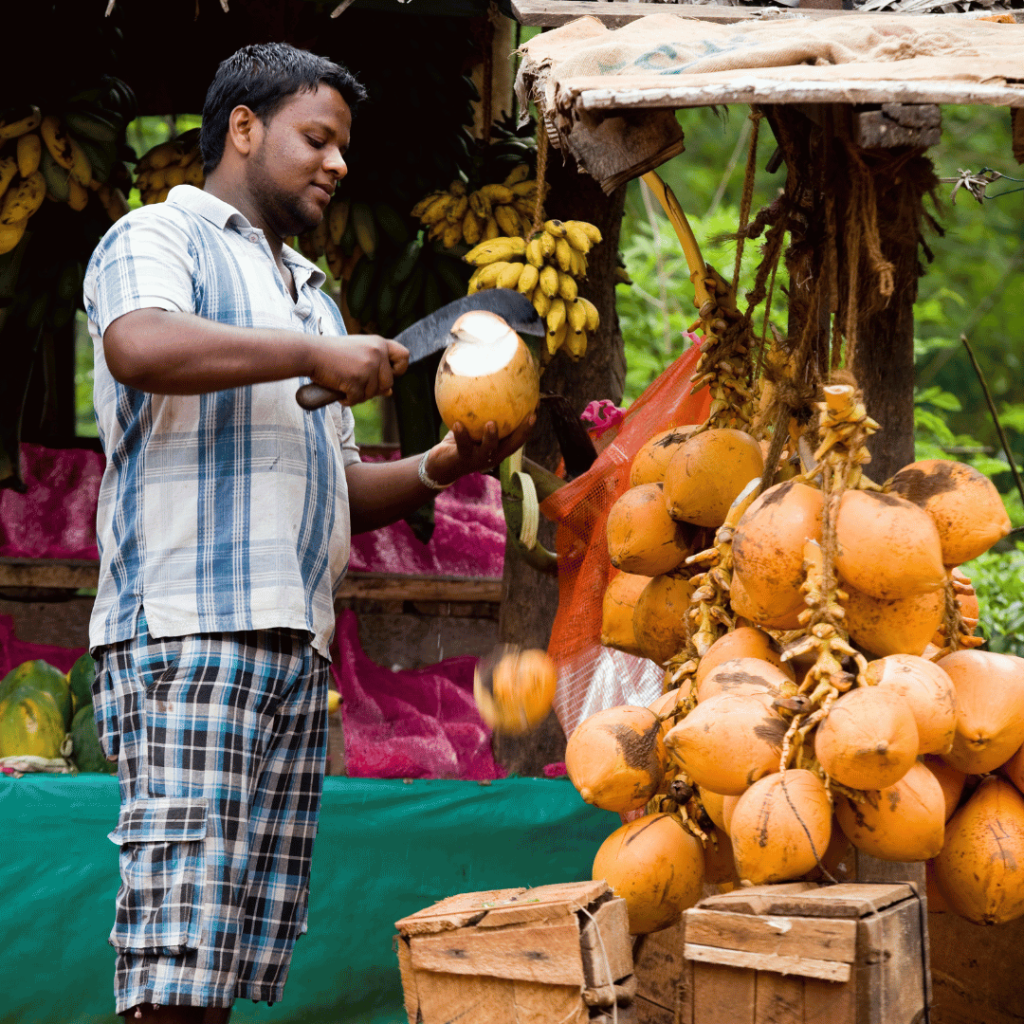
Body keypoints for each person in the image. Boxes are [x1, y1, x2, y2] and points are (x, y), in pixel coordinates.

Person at [84, 41, 533, 1023]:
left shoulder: (310, 291)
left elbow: (335, 490)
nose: (337, 163)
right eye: (317, 138)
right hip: (189, 634)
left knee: (224, 962)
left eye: (342, 146)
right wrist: (308, 352)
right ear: (243, 128)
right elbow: (140, 344)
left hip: (294, 644)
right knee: (175, 962)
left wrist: (444, 466)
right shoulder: (158, 240)